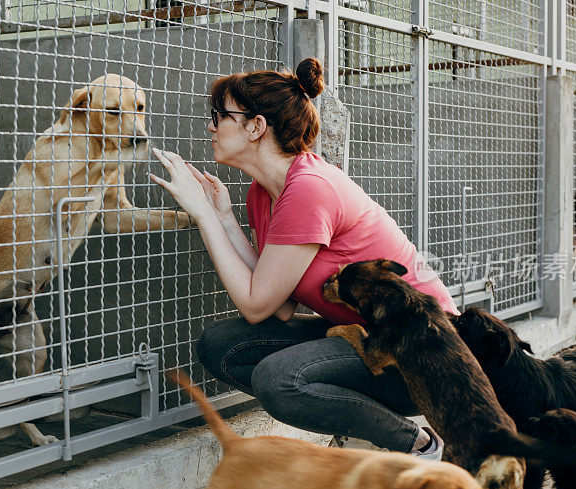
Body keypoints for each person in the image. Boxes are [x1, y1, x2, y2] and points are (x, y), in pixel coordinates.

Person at [150, 57, 458, 459]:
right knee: (220, 346)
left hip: (422, 351)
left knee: (279, 380)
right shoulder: (263, 193)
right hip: (360, 334)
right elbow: (278, 307)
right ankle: (368, 422)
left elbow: (256, 305)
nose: (211, 126)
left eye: (220, 115)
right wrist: (224, 217)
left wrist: (203, 213)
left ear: (255, 126)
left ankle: (417, 444)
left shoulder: (309, 189)